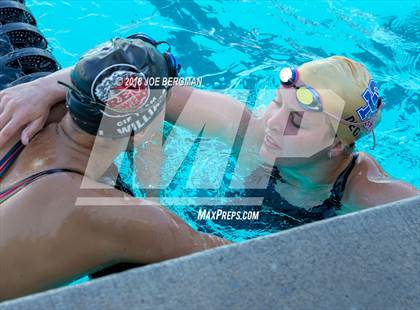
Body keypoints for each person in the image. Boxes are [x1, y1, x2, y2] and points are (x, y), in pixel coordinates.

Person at [1, 37, 418, 227]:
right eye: (277, 103)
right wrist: (43, 86)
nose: (272, 121)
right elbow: (137, 73)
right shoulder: (247, 130)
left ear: (335, 147)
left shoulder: (366, 191)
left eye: (296, 120)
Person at [0, 37, 229, 301]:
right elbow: (232, 258)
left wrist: (44, 87)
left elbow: (107, 69)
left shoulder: (15, 119)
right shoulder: (110, 213)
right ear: (142, 133)